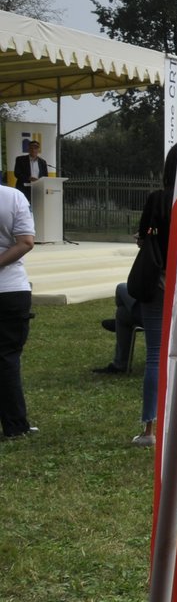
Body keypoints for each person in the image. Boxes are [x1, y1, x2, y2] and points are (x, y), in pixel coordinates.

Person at [129, 147, 177, 447]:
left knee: (155, 356)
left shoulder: (157, 199)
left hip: (157, 283)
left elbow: (143, 236)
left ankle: (149, 429)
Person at [0, 181, 36, 439]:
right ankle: (15, 425)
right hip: (10, 287)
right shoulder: (13, 197)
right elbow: (25, 242)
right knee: (7, 358)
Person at [12, 139, 46, 205]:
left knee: (37, 208)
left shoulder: (43, 162)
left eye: (35, 148)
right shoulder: (20, 159)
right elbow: (17, 173)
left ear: (38, 150)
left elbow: (45, 176)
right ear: (28, 149)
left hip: (37, 189)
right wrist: (29, 178)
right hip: (23, 188)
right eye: (31, 148)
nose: (33, 150)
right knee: (23, 207)